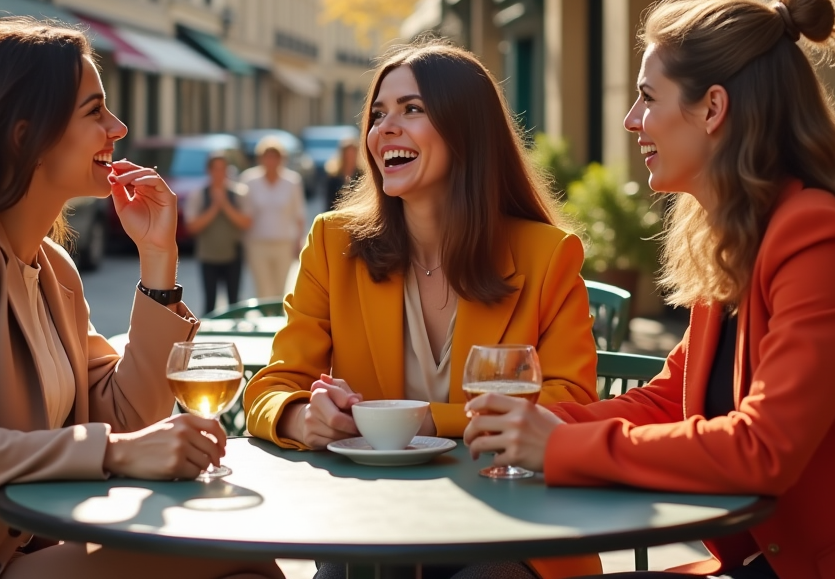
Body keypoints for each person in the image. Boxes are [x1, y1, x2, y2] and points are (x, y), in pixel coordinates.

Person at [463, 0, 835, 578]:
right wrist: (528, 428)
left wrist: (554, 446)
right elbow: (666, 402)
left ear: (712, 108)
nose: (633, 121)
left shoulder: (819, 236)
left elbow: (763, 449)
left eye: (648, 98)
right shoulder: (738, 242)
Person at [0, 19, 282, 579]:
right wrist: (114, 453)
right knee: (233, 554)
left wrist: (158, 261)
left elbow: (128, 416)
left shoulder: (51, 267)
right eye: (94, 112)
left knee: (240, 553)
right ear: (24, 136)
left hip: (27, 556)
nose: (118, 126)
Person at [244, 41, 601, 579]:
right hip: (375, 525)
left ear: (467, 131)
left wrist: (427, 421)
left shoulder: (547, 255)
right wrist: (304, 416)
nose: (385, 127)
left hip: (510, 528)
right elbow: (271, 388)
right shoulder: (333, 245)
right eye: (378, 113)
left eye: (412, 109)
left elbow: (570, 401)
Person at [185, 150, 252, 315]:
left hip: (233, 255)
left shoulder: (239, 193)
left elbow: (246, 222)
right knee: (210, 303)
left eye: (223, 168)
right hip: (208, 255)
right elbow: (192, 226)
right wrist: (214, 208)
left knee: (234, 303)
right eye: (215, 168)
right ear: (208, 170)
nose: (219, 173)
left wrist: (225, 205)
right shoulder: (199, 194)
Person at [241, 136, 306, 299]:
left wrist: (299, 242)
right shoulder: (249, 180)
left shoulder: (292, 181)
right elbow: (244, 213)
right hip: (257, 243)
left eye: (275, 156)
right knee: (263, 290)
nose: (271, 161)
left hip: (283, 243)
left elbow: (299, 213)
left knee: (280, 291)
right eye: (267, 156)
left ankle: (277, 323)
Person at [323, 136, 362, 210]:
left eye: (352, 155)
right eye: (348, 155)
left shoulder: (361, 175)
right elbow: (329, 202)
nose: (350, 158)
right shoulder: (333, 176)